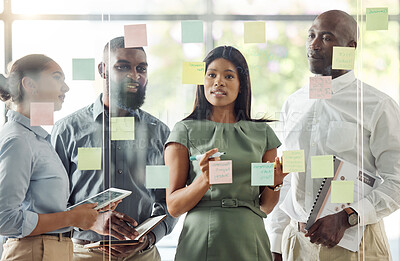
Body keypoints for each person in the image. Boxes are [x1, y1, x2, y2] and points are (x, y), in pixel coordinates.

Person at [267, 10, 400, 261]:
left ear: (350, 47)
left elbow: (397, 181)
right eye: (311, 36)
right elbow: (288, 177)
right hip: (296, 244)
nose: (314, 45)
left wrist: (347, 217)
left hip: (356, 244)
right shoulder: (293, 103)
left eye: (326, 38)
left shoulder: (377, 105)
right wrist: (276, 243)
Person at [51, 36, 177, 261]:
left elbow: (167, 201)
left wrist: (148, 239)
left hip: (143, 254)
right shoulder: (67, 130)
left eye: (141, 68)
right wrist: (89, 221)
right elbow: (51, 204)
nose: (134, 75)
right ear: (103, 69)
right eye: (122, 67)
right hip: (83, 253)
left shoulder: (159, 133)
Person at [165, 45, 286, 260]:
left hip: (250, 237)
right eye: (211, 75)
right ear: (202, 82)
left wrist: (274, 183)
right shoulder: (184, 130)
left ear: (241, 85)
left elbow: (266, 206)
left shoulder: (262, 134)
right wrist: (204, 180)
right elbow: (173, 207)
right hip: (200, 239)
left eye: (229, 76)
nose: (218, 82)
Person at [0, 54, 99, 261]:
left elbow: (40, 208)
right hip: (35, 252)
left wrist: (83, 215)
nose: (66, 88)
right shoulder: (18, 139)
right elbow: (4, 219)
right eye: (56, 78)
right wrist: (71, 217)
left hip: (52, 250)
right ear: (30, 85)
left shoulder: (37, 138)